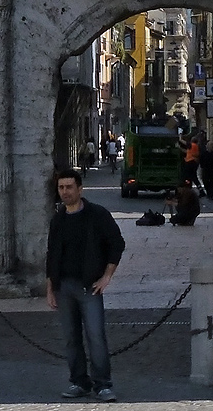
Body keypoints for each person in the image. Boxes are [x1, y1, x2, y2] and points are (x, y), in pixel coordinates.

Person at [46, 167, 125, 403]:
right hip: (64, 287)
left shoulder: (97, 215)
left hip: (89, 286)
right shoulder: (57, 220)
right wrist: (50, 289)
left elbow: (117, 244)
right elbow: (51, 256)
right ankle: (78, 381)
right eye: (61, 188)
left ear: (80, 189)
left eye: (69, 187)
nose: (65, 192)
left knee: (96, 336)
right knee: (71, 338)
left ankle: (103, 384)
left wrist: (107, 276)